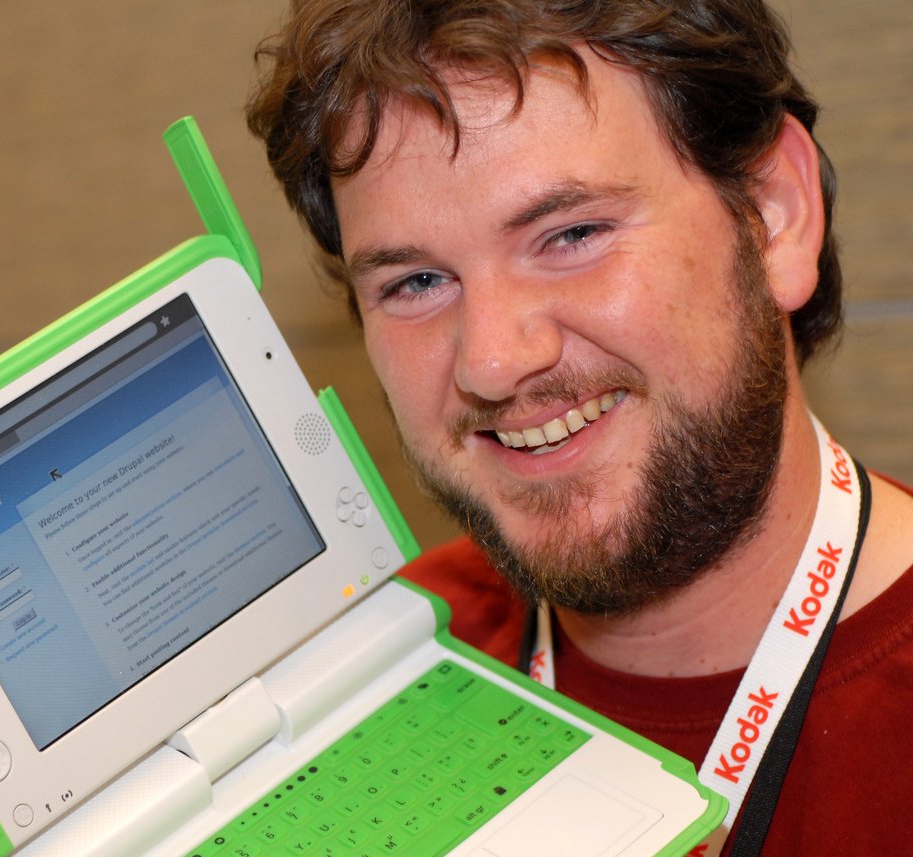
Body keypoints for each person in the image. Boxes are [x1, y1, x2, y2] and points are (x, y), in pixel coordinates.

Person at [245, 1, 913, 854]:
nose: (491, 359)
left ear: (775, 214)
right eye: (415, 282)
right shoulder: (358, 682)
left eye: (572, 233)